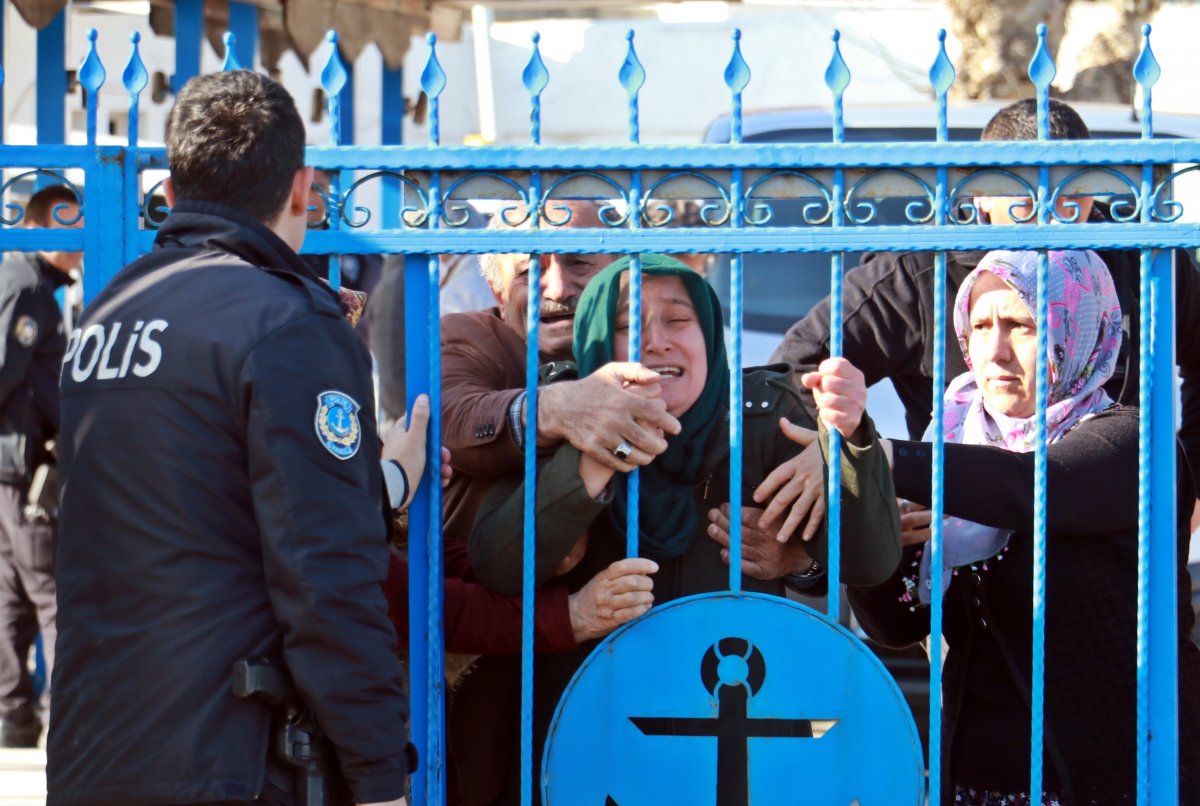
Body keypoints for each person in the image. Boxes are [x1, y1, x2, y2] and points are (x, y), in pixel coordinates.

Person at [47, 71, 417, 806]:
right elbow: (325, 577)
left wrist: (386, 485)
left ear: (175, 191)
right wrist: (381, 777)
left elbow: (186, 505)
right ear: (303, 186)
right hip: (232, 757)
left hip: (94, 753)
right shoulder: (284, 324)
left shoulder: (108, 314)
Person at [464, 255, 902, 803]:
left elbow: (868, 562)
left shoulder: (766, 414)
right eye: (627, 325)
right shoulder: (561, 413)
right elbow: (501, 566)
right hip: (587, 742)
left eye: (677, 320)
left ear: (708, 335)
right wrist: (597, 453)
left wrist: (851, 441)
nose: (656, 342)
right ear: (595, 340)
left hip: (738, 741)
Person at [841, 249, 1200, 803]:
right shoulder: (956, 442)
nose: (995, 351)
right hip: (979, 778)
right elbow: (893, 625)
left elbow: (1027, 485)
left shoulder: (1132, 444)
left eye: (1022, 326)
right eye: (980, 326)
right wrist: (879, 533)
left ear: (1078, 327)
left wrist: (882, 458)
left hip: (1117, 776)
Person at [763, 97, 1200, 540]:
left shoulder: (1147, 258)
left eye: (1073, 198)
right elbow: (790, 373)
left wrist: (1193, 488)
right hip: (962, 549)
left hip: (1121, 548)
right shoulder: (920, 275)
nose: (1051, 218)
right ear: (981, 194)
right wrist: (872, 488)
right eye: (1025, 200)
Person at [0, 184, 80, 748]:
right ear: (39, 226)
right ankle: (70, 716)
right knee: (53, 590)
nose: (79, 240)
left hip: (13, 463)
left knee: (11, 593)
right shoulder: (28, 288)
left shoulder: (29, 282)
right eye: (69, 226)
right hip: (23, 467)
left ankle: (14, 715)